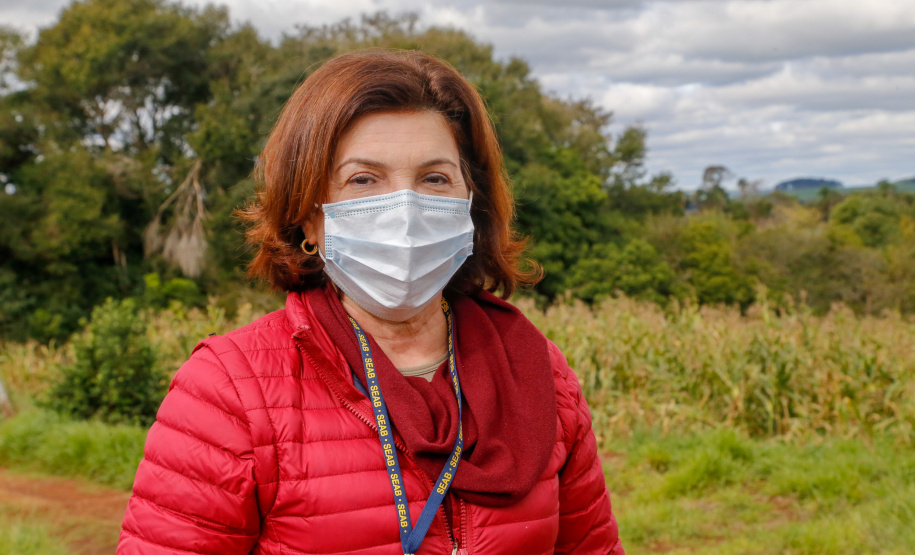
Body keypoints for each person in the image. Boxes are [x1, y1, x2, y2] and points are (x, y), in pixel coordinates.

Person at [117, 49, 624, 555]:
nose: (405, 211)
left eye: (434, 179)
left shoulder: (538, 372)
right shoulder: (229, 390)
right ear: (309, 217)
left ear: (471, 205)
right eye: (363, 180)